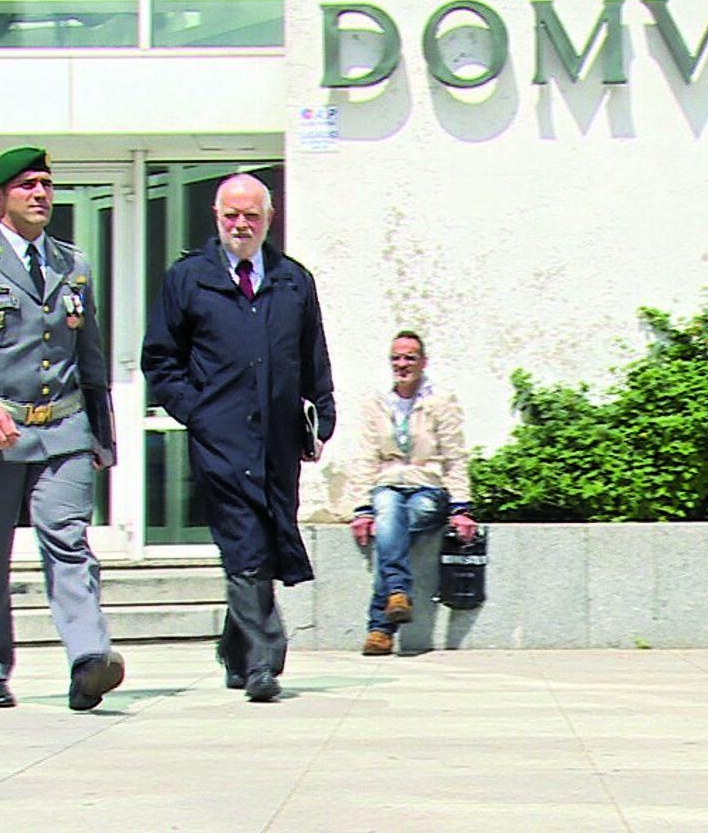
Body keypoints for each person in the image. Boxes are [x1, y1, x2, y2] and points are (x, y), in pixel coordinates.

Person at [0, 145, 124, 710]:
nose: (40, 194)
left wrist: (101, 435)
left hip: (63, 429)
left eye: (46, 184)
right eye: (26, 185)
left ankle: (88, 659)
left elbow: (90, 356)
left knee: (69, 541)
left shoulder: (72, 263)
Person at [141, 172, 335, 703]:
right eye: (232, 215)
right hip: (220, 441)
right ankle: (264, 661)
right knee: (245, 542)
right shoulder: (188, 278)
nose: (241, 225)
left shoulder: (293, 280)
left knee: (267, 539)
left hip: (277, 440)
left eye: (251, 215)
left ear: (269, 218)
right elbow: (160, 358)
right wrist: (196, 412)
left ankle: (234, 649)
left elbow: (313, 355)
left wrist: (322, 416)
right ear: (216, 217)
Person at [348, 331, 478, 656]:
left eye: (410, 357)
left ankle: (382, 623)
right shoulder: (376, 403)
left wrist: (461, 508)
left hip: (428, 486)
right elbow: (366, 456)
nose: (402, 364)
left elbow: (455, 456)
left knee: (399, 522)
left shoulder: (440, 402)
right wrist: (361, 509)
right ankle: (393, 603)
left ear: (423, 362)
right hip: (388, 484)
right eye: (396, 358)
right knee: (387, 508)